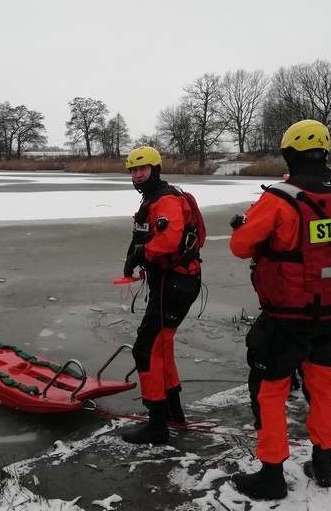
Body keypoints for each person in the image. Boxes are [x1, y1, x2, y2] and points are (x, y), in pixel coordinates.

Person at [229, 119, 331, 500]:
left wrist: (246, 225)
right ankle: (323, 464)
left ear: (289, 153)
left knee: (268, 389)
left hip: (289, 315)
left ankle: (271, 475)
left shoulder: (279, 199)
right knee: (322, 384)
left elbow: (240, 247)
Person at [120, 145, 203, 445]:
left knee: (146, 349)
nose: (138, 174)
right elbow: (144, 233)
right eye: (133, 170)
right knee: (161, 344)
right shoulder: (152, 199)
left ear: (155, 170)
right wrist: (134, 255)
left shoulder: (165, 199)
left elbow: (169, 239)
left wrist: (144, 252)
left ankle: (156, 425)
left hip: (176, 283)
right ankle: (173, 412)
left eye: (143, 169)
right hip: (173, 282)